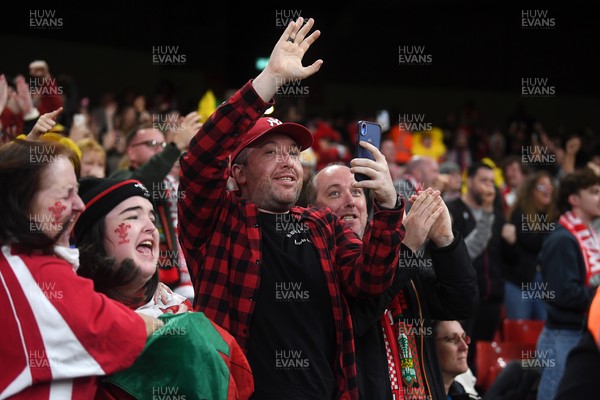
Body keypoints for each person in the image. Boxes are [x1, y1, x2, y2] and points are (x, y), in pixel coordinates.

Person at [178, 17, 405, 399]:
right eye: (271, 152)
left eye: (293, 153)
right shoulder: (217, 222)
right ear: (238, 173)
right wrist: (267, 81)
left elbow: (370, 282)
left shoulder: (323, 225)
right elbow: (200, 158)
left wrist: (388, 206)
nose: (287, 161)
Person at [0, 139, 160, 399]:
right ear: (24, 202)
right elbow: (127, 333)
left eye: (77, 192)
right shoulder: (38, 276)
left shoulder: (16, 262)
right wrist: (172, 322)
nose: (79, 205)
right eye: (66, 195)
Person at [307, 164, 478, 399]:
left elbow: (460, 303)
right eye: (334, 193)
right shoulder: (314, 262)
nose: (350, 201)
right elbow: (356, 317)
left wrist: (446, 240)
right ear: (312, 210)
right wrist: (408, 248)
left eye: (357, 192)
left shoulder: (399, 254)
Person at [72, 177, 253, 399]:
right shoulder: (71, 320)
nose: (151, 227)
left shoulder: (180, 311)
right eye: (132, 216)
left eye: (152, 218)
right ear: (95, 237)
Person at [110, 113, 198, 298]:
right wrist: (173, 148)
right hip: (140, 283)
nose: (160, 149)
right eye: (152, 144)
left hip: (180, 280)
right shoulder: (120, 178)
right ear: (131, 151)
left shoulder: (171, 182)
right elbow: (137, 186)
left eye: (163, 145)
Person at [535, 168, 600, 400]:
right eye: (594, 191)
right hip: (562, 337)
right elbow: (562, 294)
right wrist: (597, 297)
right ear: (574, 200)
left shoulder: (591, 235)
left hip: (577, 333)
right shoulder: (562, 239)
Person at [447, 162, 516, 373]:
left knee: (483, 360)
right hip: (464, 298)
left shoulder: (496, 213)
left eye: (492, 182)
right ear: (470, 181)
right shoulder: (453, 210)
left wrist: (511, 242)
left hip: (491, 296)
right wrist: (486, 213)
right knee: (460, 357)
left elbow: (510, 259)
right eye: (483, 180)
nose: (489, 187)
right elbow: (462, 255)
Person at [504, 171, 557, 320]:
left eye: (550, 185)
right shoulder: (520, 213)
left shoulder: (555, 215)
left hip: (544, 281)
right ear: (531, 190)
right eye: (542, 186)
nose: (548, 189)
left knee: (544, 324)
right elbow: (532, 243)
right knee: (520, 328)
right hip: (519, 281)